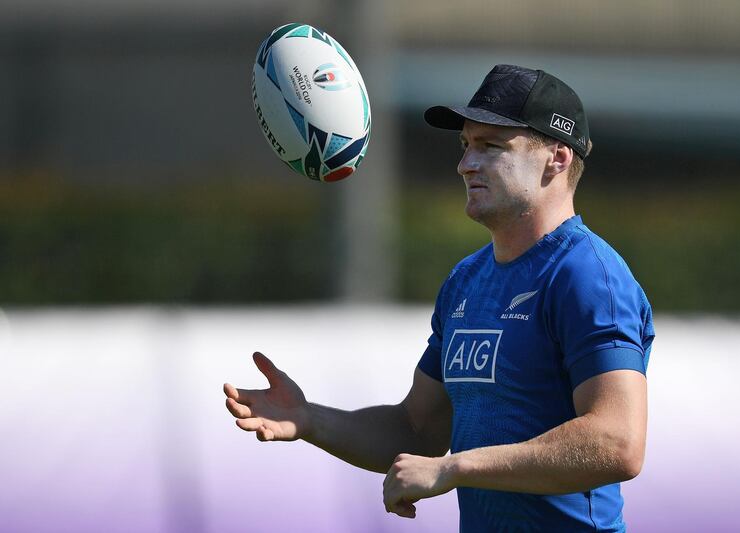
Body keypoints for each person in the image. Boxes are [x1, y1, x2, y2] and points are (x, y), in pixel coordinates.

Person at [224, 64, 655, 532]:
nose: (466, 163)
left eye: (491, 146)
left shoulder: (586, 274)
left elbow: (617, 443)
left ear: (557, 157)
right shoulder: (467, 280)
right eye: (466, 145)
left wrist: (456, 467)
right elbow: (418, 429)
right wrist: (309, 420)